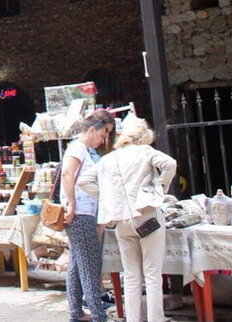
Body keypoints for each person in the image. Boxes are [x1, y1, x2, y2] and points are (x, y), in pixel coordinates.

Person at [79, 116, 177, 322]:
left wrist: (106, 197)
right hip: (147, 215)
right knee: (152, 275)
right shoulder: (145, 151)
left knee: (131, 276)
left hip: (123, 220)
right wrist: (160, 187)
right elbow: (170, 163)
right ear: (143, 138)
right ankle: (155, 319)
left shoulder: (108, 159)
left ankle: (132, 319)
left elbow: (84, 181)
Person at [61, 116, 112, 322]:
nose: (103, 140)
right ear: (91, 130)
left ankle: (76, 311)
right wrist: (71, 203)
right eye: (102, 135)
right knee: (90, 263)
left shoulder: (81, 149)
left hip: (83, 211)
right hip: (80, 212)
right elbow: (67, 174)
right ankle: (98, 314)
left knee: (76, 263)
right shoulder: (78, 148)